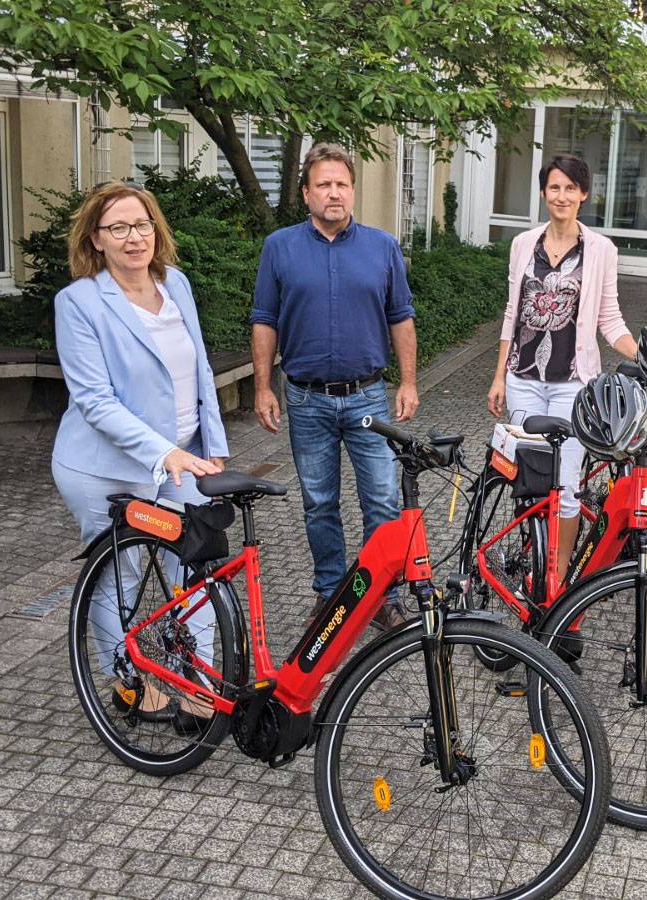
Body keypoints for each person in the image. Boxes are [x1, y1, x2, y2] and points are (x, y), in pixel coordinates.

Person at [52, 180, 229, 726]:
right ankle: (131, 682)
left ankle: (197, 680)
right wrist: (162, 453)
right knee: (121, 576)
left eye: (143, 224)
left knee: (197, 567)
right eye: (119, 228)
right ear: (96, 240)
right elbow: (94, 401)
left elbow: (199, 369)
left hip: (182, 458)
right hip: (104, 468)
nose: (134, 238)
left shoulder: (175, 283)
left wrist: (211, 447)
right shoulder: (79, 302)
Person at [250, 143, 418, 631]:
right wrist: (263, 388)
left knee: (382, 501)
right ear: (306, 193)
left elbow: (401, 317)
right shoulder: (280, 247)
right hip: (304, 398)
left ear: (352, 191)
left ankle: (379, 596)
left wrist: (408, 382)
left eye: (342, 184)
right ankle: (330, 593)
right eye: (323, 184)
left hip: (368, 396)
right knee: (320, 502)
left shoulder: (382, 247)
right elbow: (264, 320)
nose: (334, 193)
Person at [487, 154, 638, 576]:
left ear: (584, 194)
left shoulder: (601, 250)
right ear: (543, 193)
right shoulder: (524, 245)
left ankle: (558, 575)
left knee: (567, 488)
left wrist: (643, 354)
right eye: (554, 187)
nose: (562, 195)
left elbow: (610, 319)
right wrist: (499, 377)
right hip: (523, 381)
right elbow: (511, 316)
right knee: (530, 483)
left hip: (572, 384)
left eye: (571, 188)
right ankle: (532, 562)